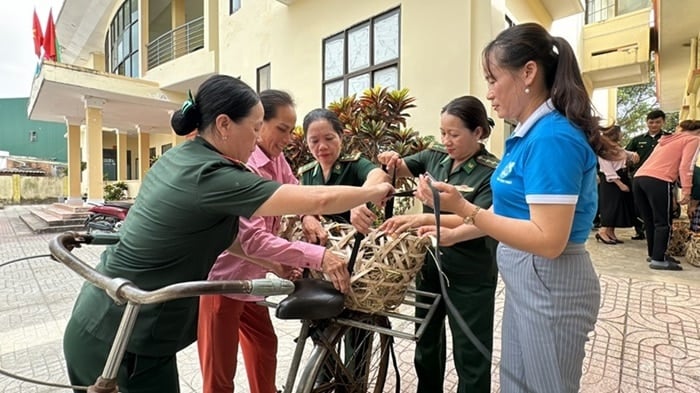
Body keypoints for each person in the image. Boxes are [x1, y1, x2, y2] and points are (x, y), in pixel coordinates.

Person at [62, 75, 393, 393]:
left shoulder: (181, 157)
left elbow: (229, 236)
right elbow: (316, 198)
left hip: (108, 322)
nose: (257, 138)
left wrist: (273, 262)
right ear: (223, 125)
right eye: (254, 129)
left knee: (262, 346)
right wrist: (371, 193)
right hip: (123, 337)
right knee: (221, 371)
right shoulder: (213, 174)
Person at [413, 23, 624, 393]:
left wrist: (464, 208)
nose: (489, 93)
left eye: (493, 79)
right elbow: (512, 218)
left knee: (545, 386)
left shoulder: (552, 138)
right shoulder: (528, 135)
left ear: (528, 72)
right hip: (528, 277)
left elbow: (548, 240)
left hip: (550, 277)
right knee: (517, 383)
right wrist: (449, 226)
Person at [197, 90, 336, 393]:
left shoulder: (277, 159)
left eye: (291, 131)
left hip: (252, 280)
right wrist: (312, 257)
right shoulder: (242, 167)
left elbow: (294, 189)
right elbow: (252, 240)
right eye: (281, 130)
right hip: (224, 281)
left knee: (264, 348)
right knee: (219, 373)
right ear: (259, 124)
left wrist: (306, 216)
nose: (287, 139)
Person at [377, 95, 498, 393]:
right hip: (430, 265)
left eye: (454, 134)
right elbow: (398, 169)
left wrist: (421, 222)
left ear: (478, 132)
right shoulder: (433, 157)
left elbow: (479, 219)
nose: (446, 140)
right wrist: (388, 161)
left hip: (470, 273)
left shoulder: (492, 172)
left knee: (470, 351)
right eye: (443, 132)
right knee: (426, 341)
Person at [298, 108, 390, 234]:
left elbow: (379, 175)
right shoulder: (307, 174)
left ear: (340, 136)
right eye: (314, 141)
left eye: (329, 138)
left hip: (357, 245)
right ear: (307, 143)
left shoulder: (353, 165)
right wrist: (307, 217)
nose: (322, 146)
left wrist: (359, 199)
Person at [632, 119, 700, 271]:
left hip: (639, 179)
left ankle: (655, 253)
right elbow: (686, 166)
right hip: (659, 180)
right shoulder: (693, 139)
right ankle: (658, 259)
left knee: (650, 220)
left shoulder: (666, 141)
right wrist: (687, 191)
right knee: (664, 222)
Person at [626, 110, 671, 240]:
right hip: (639, 177)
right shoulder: (637, 140)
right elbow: (625, 155)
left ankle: (660, 234)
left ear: (663, 122)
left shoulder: (668, 138)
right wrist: (630, 158)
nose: (654, 125)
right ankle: (640, 230)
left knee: (659, 207)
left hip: (661, 177)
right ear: (646, 123)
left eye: (658, 122)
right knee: (639, 205)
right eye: (651, 122)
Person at [595, 124, 639, 244]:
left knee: (619, 206)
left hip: (622, 176)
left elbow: (626, 153)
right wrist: (620, 184)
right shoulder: (604, 150)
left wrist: (633, 155)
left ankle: (610, 232)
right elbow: (608, 169)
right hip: (612, 180)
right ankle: (603, 231)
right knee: (611, 206)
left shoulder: (617, 148)